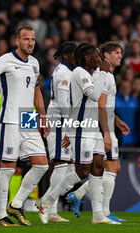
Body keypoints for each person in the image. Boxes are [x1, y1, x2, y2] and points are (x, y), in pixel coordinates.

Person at [0, 25, 49, 227]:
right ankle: (1, 215)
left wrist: (43, 116)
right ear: (17, 41)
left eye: (32, 39)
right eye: (26, 39)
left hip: (28, 118)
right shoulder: (5, 60)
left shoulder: (34, 63)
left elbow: (36, 91)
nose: (30, 42)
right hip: (10, 120)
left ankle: (17, 204)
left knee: (42, 165)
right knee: (7, 169)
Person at [38, 42, 116, 225]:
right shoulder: (80, 73)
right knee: (82, 171)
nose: (100, 58)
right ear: (87, 57)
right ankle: (47, 200)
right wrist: (104, 73)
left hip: (93, 128)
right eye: (97, 55)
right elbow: (95, 96)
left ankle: (98, 215)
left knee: (98, 168)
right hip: (81, 129)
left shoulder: (90, 73)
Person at [66, 42, 130, 223]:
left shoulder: (107, 76)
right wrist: (107, 132)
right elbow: (99, 105)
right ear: (105, 56)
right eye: (116, 52)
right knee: (105, 168)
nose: (120, 56)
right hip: (100, 129)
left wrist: (117, 121)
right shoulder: (104, 77)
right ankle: (102, 211)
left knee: (109, 168)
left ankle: (82, 197)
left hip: (106, 126)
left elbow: (105, 105)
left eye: (121, 53)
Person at [42, 41, 77, 222]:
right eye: (75, 54)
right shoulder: (63, 73)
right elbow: (63, 103)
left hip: (66, 123)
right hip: (59, 123)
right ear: (66, 55)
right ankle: (51, 208)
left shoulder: (69, 72)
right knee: (61, 164)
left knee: (71, 166)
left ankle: (48, 203)